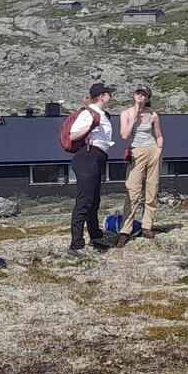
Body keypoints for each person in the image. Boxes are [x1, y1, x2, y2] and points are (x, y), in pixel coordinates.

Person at [65, 83, 115, 255]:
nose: (111, 96)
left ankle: (95, 237)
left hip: (98, 156)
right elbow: (73, 135)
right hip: (88, 156)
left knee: (94, 200)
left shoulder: (103, 114)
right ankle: (76, 244)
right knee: (84, 200)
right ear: (101, 96)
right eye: (108, 94)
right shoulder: (89, 113)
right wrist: (91, 126)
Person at [116, 86, 163, 246]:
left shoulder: (153, 115)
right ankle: (125, 230)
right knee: (133, 190)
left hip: (152, 150)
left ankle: (147, 226)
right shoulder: (126, 113)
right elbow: (124, 135)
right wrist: (134, 117)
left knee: (152, 188)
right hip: (136, 151)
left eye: (144, 94)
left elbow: (159, 135)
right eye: (138, 93)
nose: (140, 96)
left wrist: (159, 149)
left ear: (148, 98)